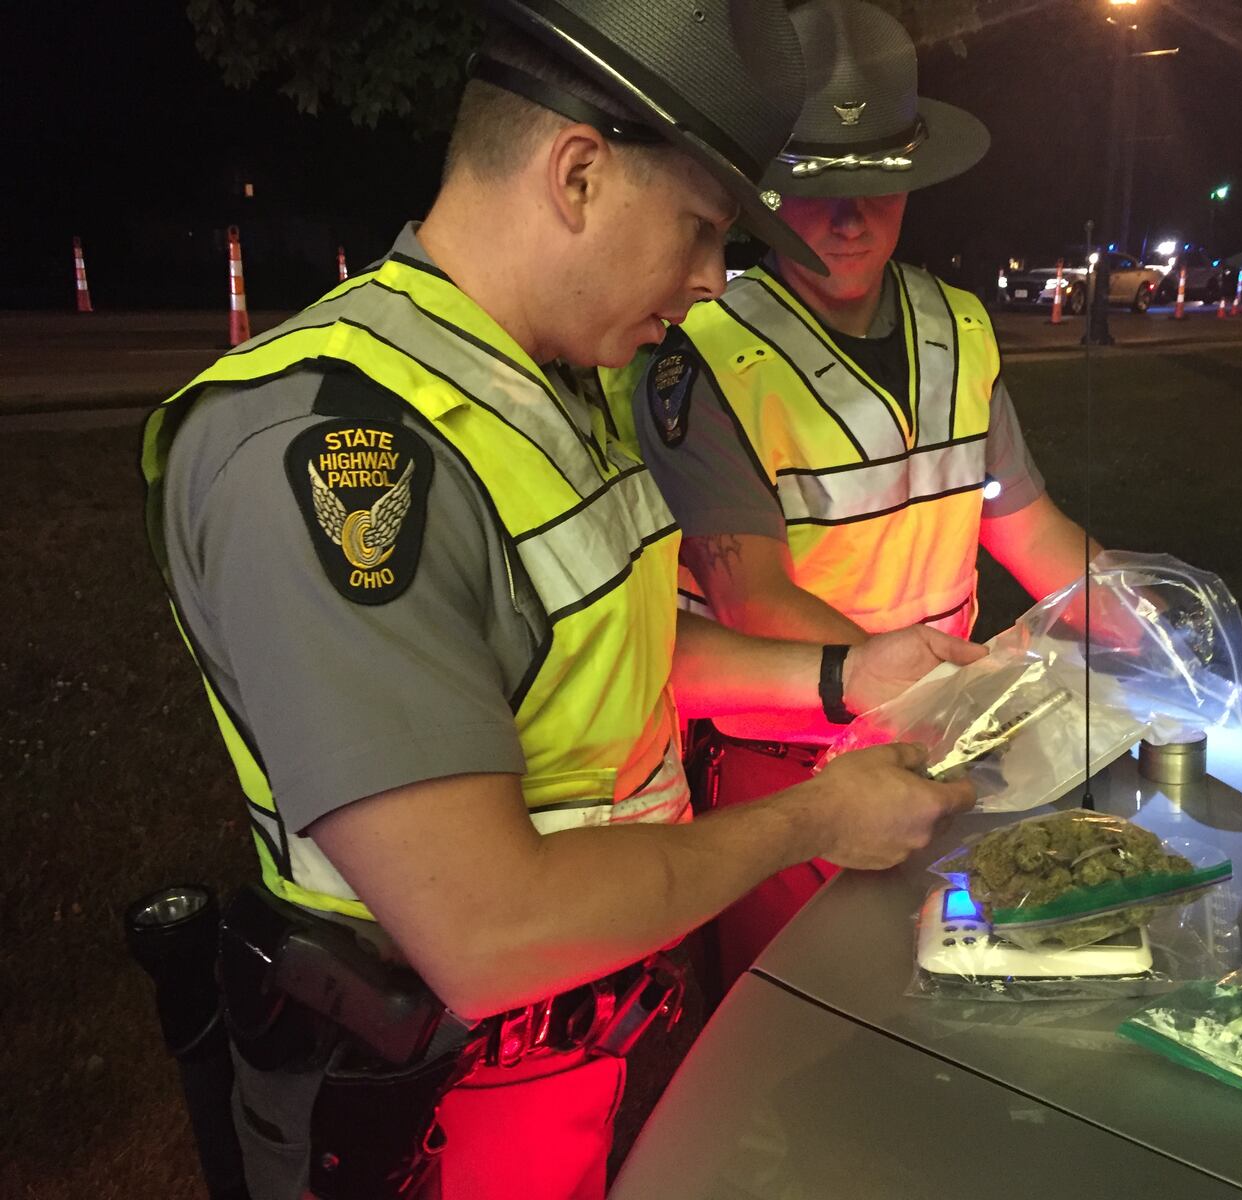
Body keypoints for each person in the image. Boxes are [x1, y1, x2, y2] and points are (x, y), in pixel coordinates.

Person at [139, 2, 983, 1197]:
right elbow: (487, 931)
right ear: (577, 173)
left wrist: (845, 675)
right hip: (444, 1108)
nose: (709, 283)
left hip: (596, 1047)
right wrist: (810, 821)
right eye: (699, 228)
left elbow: (601, 643)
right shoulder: (334, 447)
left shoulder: (550, 381)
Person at [622, 0, 1110, 994]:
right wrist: (954, 705)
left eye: (878, 185)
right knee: (796, 1027)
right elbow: (755, 605)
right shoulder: (706, 353)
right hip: (789, 767)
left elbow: (1030, 528)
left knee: (942, 1005)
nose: (848, 217)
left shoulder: (956, 330)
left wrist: (1150, 618)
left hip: (942, 740)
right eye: (817, 187)